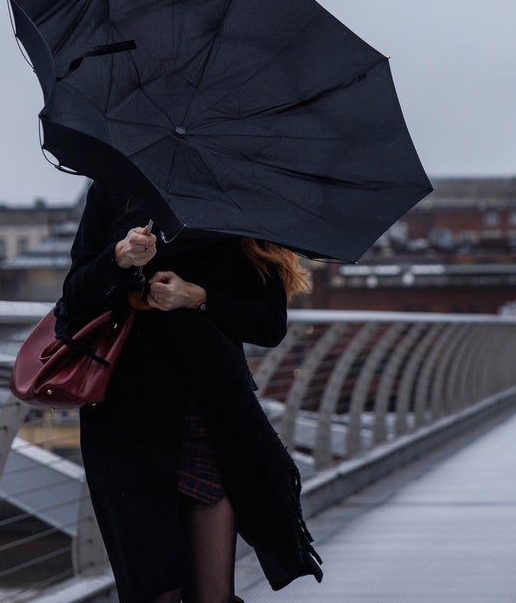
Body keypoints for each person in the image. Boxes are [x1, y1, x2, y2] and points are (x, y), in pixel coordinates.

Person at [54, 181, 323, 603]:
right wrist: (120, 258)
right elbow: (72, 302)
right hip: (125, 418)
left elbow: (269, 324)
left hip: (210, 415)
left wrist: (196, 297)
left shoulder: (247, 196)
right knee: (152, 592)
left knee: (212, 593)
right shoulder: (114, 186)